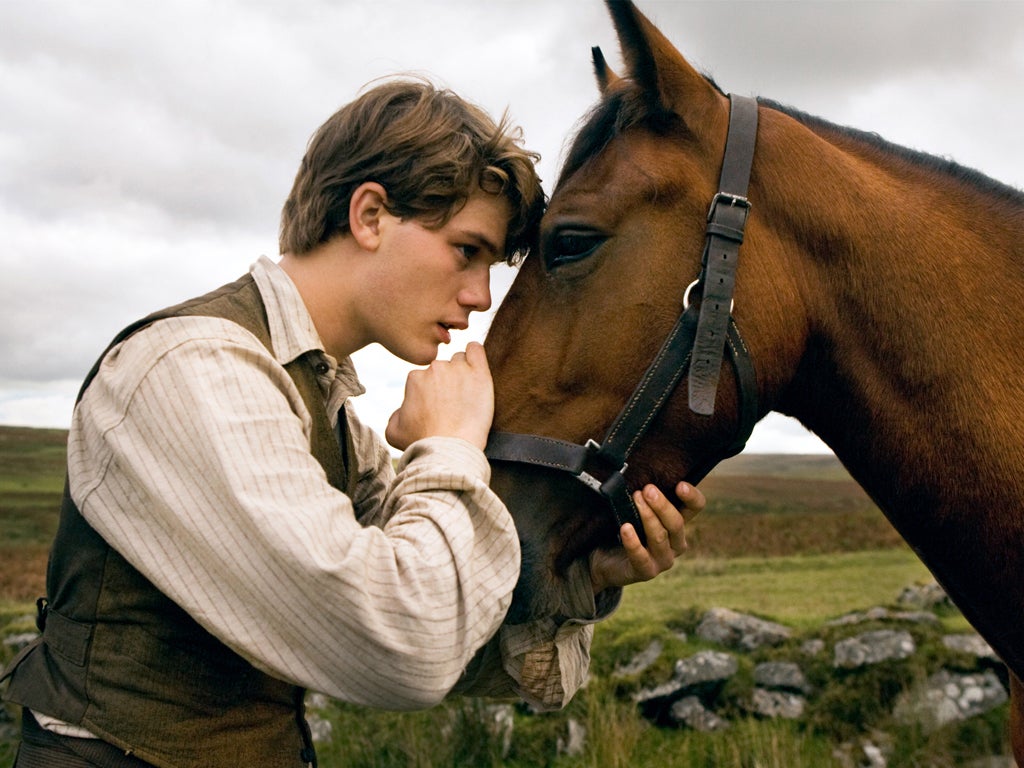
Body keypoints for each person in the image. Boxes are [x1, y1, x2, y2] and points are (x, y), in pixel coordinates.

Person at [1, 78, 705, 767]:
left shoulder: (324, 406)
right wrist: (449, 446)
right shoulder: (191, 369)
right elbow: (404, 647)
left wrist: (577, 578)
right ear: (369, 215)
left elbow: (447, 626)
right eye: (467, 250)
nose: (479, 297)